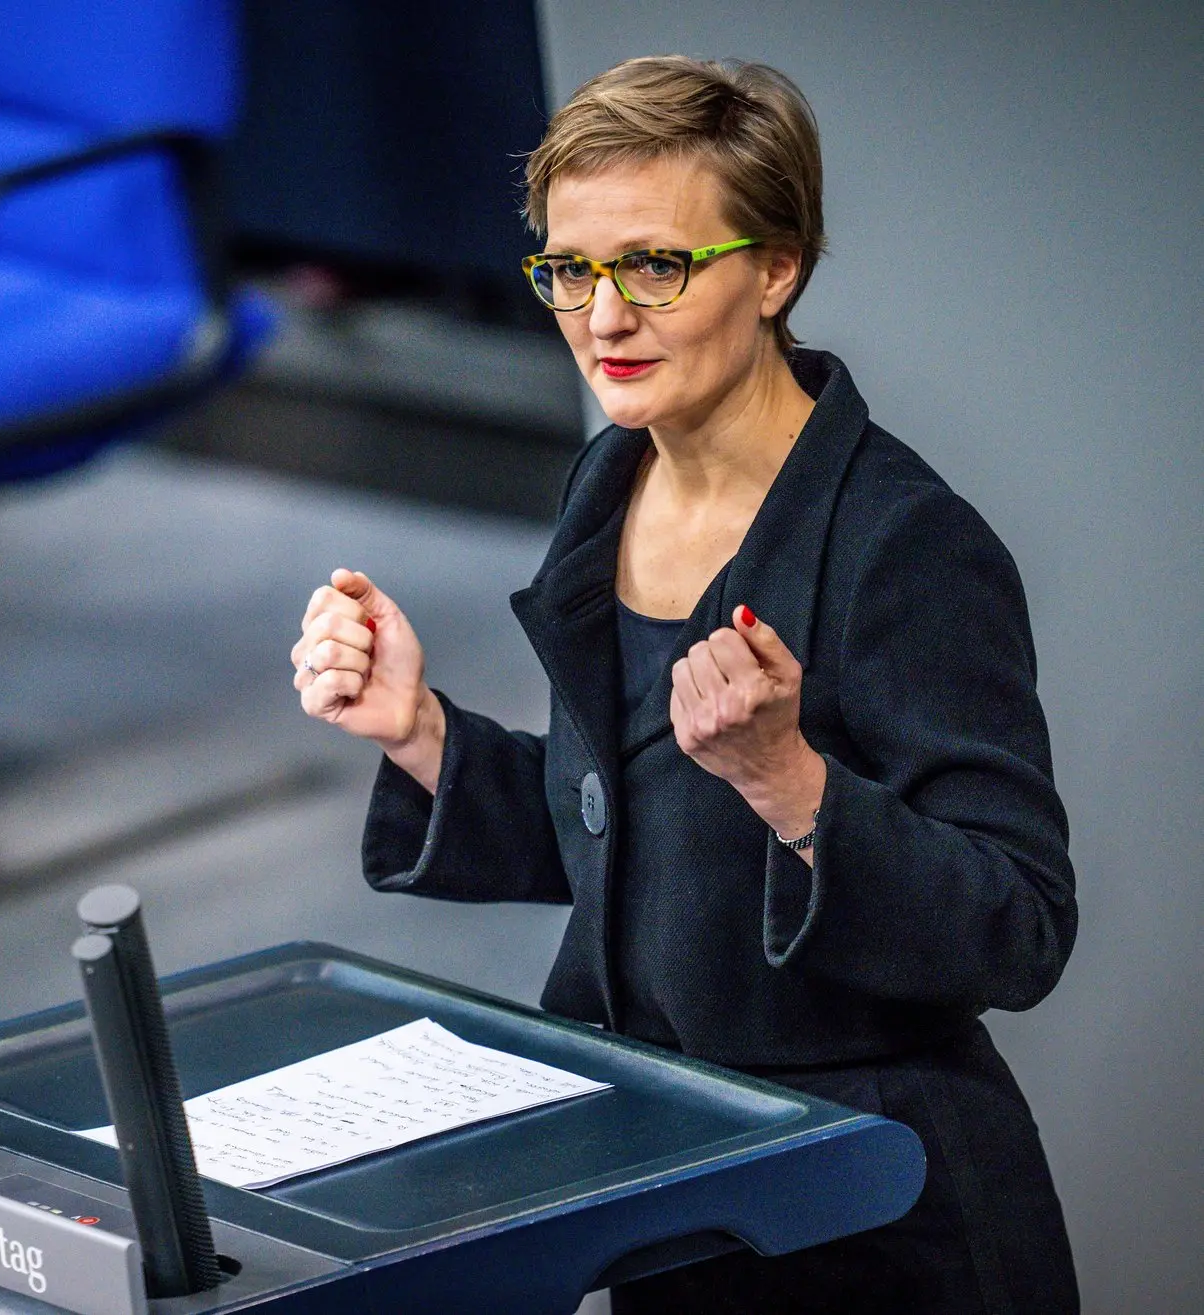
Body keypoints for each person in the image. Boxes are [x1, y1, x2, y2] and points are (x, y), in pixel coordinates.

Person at [291, 56, 1078, 1314]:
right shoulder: (606, 489)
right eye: (568, 271)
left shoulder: (905, 542)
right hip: (668, 1178)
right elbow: (631, 839)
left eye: (655, 265)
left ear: (776, 268)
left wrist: (793, 782)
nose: (603, 318)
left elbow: (1018, 926)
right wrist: (424, 733)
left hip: (873, 1220)